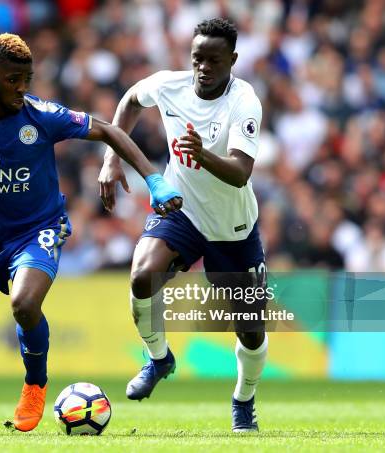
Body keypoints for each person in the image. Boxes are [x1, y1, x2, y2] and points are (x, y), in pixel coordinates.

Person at [0, 33, 182, 436]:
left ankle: (34, 385)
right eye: (13, 80)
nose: (22, 88)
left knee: (25, 303)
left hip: (39, 229)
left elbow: (110, 131)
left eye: (27, 78)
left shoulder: (42, 115)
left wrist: (152, 178)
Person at [98, 18, 267, 432]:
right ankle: (159, 359)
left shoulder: (244, 101)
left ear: (233, 60)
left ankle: (243, 400)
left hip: (233, 227)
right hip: (182, 209)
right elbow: (130, 101)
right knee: (142, 275)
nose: (203, 68)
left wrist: (202, 153)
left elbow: (241, 172)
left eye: (213, 60)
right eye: (197, 58)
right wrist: (111, 158)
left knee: (250, 330)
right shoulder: (169, 84)